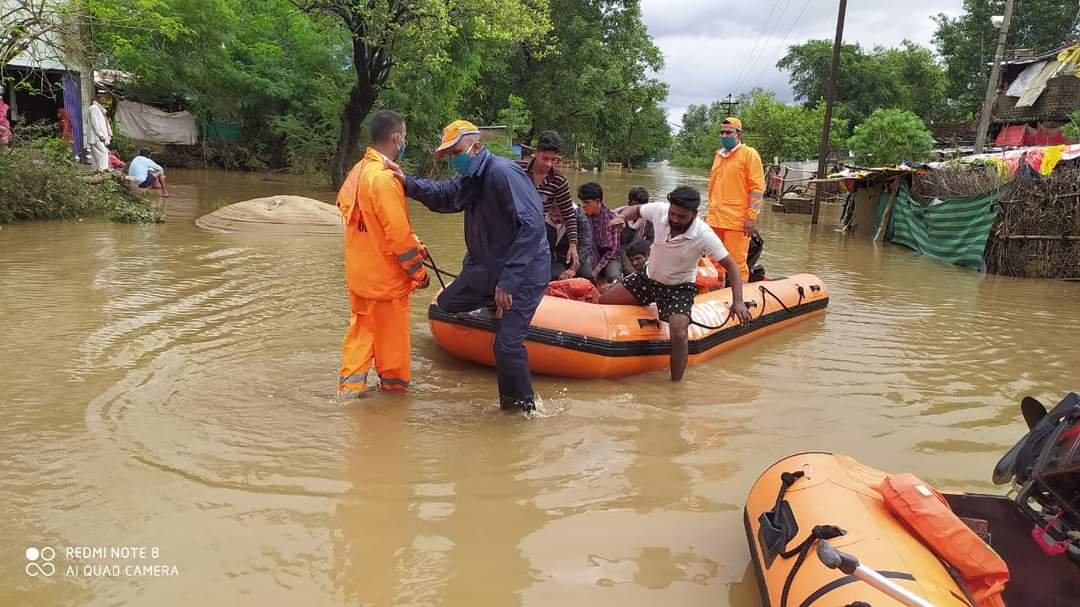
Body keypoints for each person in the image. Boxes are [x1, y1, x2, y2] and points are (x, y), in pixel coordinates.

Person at [395, 119, 549, 413]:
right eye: (450, 154)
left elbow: (532, 228)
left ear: (476, 148)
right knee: (447, 304)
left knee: (506, 346)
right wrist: (406, 183)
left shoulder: (502, 173)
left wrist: (508, 282)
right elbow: (444, 198)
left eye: (457, 152)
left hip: (525, 270)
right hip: (487, 265)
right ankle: (493, 302)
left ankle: (521, 411)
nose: (454, 159)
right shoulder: (472, 178)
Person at [602, 186, 751, 381]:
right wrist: (623, 217)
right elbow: (637, 210)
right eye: (672, 214)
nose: (674, 219)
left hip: (678, 288)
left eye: (681, 217)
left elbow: (731, 266)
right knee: (603, 301)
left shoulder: (704, 234)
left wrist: (738, 301)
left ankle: (676, 384)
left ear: (694, 214)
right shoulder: (660, 210)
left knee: (679, 333)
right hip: (648, 278)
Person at [336, 109, 429, 397]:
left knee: (360, 338)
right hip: (386, 284)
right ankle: (392, 408)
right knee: (394, 353)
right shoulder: (385, 179)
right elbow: (397, 236)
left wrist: (415, 243)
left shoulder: (357, 172)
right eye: (404, 138)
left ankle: (349, 394)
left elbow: (369, 225)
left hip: (360, 279)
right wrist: (419, 273)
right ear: (396, 137)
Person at [706, 117, 765, 284]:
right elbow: (713, 188)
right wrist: (708, 213)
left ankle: (738, 297)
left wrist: (751, 217)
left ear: (738, 135)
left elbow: (757, 188)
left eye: (728, 132)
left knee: (736, 262)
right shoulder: (718, 156)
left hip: (736, 221)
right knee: (713, 261)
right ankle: (715, 295)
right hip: (715, 219)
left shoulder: (749, 155)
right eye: (722, 132)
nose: (724, 135)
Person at [518, 131, 579, 275]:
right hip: (509, 229)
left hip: (533, 234)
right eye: (545, 158)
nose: (549, 164)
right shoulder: (516, 169)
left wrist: (573, 244)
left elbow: (569, 215)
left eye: (554, 160)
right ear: (536, 153)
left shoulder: (559, 181)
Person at [578, 182, 621, 287]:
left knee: (613, 276)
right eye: (582, 202)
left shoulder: (613, 218)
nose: (583, 205)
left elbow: (613, 250)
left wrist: (597, 269)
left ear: (597, 201)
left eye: (586, 202)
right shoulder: (580, 216)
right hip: (588, 254)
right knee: (586, 275)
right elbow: (583, 244)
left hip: (608, 257)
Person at [547, 201, 594, 281]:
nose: (554, 219)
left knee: (587, 277)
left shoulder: (580, 217)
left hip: (576, 255)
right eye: (551, 215)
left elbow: (585, 243)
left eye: (558, 215)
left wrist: (573, 268)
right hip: (554, 257)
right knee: (555, 277)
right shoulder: (543, 216)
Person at [616, 186, 654, 277]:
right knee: (630, 272)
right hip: (619, 249)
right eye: (635, 205)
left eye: (642, 207)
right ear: (629, 203)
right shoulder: (617, 215)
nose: (639, 210)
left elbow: (651, 241)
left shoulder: (650, 218)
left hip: (639, 249)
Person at [88, 94, 113, 172]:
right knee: (104, 153)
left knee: (96, 155)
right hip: (96, 137)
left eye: (104, 98)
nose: (104, 100)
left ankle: (96, 171)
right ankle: (103, 171)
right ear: (97, 99)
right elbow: (95, 123)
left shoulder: (100, 110)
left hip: (98, 137)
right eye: (101, 98)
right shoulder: (94, 108)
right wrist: (100, 135)